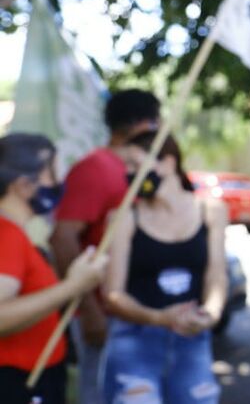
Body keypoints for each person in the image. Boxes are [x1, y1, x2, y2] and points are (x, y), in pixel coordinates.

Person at [49, 88, 160, 404]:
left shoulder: (138, 170)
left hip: (132, 307)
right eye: (156, 121)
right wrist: (89, 309)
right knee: (100, 392)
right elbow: (63, 237)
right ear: (142, 125)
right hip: (102, 312)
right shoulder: (96, 167)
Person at [101, 131, 227, 403]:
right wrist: (159, 318)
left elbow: (216, 274)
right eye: (127, 167)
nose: (130, 174)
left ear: (168, 164)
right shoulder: (124, 217)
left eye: (136, 165)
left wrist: (211, 313)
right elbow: (113, 294)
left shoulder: (210, 210)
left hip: (192, 336)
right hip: (135, 338)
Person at [0, 133, 107, 404]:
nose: (58, 183)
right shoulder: (7, 235)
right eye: (51, 174)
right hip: (18, 382)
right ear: (23, 185)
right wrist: (73, 286)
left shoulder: (17, 234)